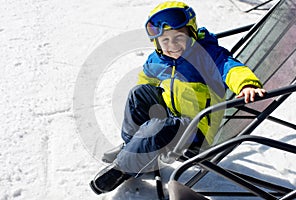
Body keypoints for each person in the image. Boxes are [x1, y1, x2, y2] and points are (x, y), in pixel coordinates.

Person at [89, 1, 266, 195]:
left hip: (195, 129)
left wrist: (246, 84)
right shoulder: (157, 59)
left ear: (191, 33)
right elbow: (147, 79)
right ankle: (131, 147)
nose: (172, 46)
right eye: (165, 41)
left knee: (158, 127)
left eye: (178, 37)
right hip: (173, 115)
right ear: (157, 43)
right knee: (138, 94)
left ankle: (122, 168)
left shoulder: (206, 56)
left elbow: (230, 67)